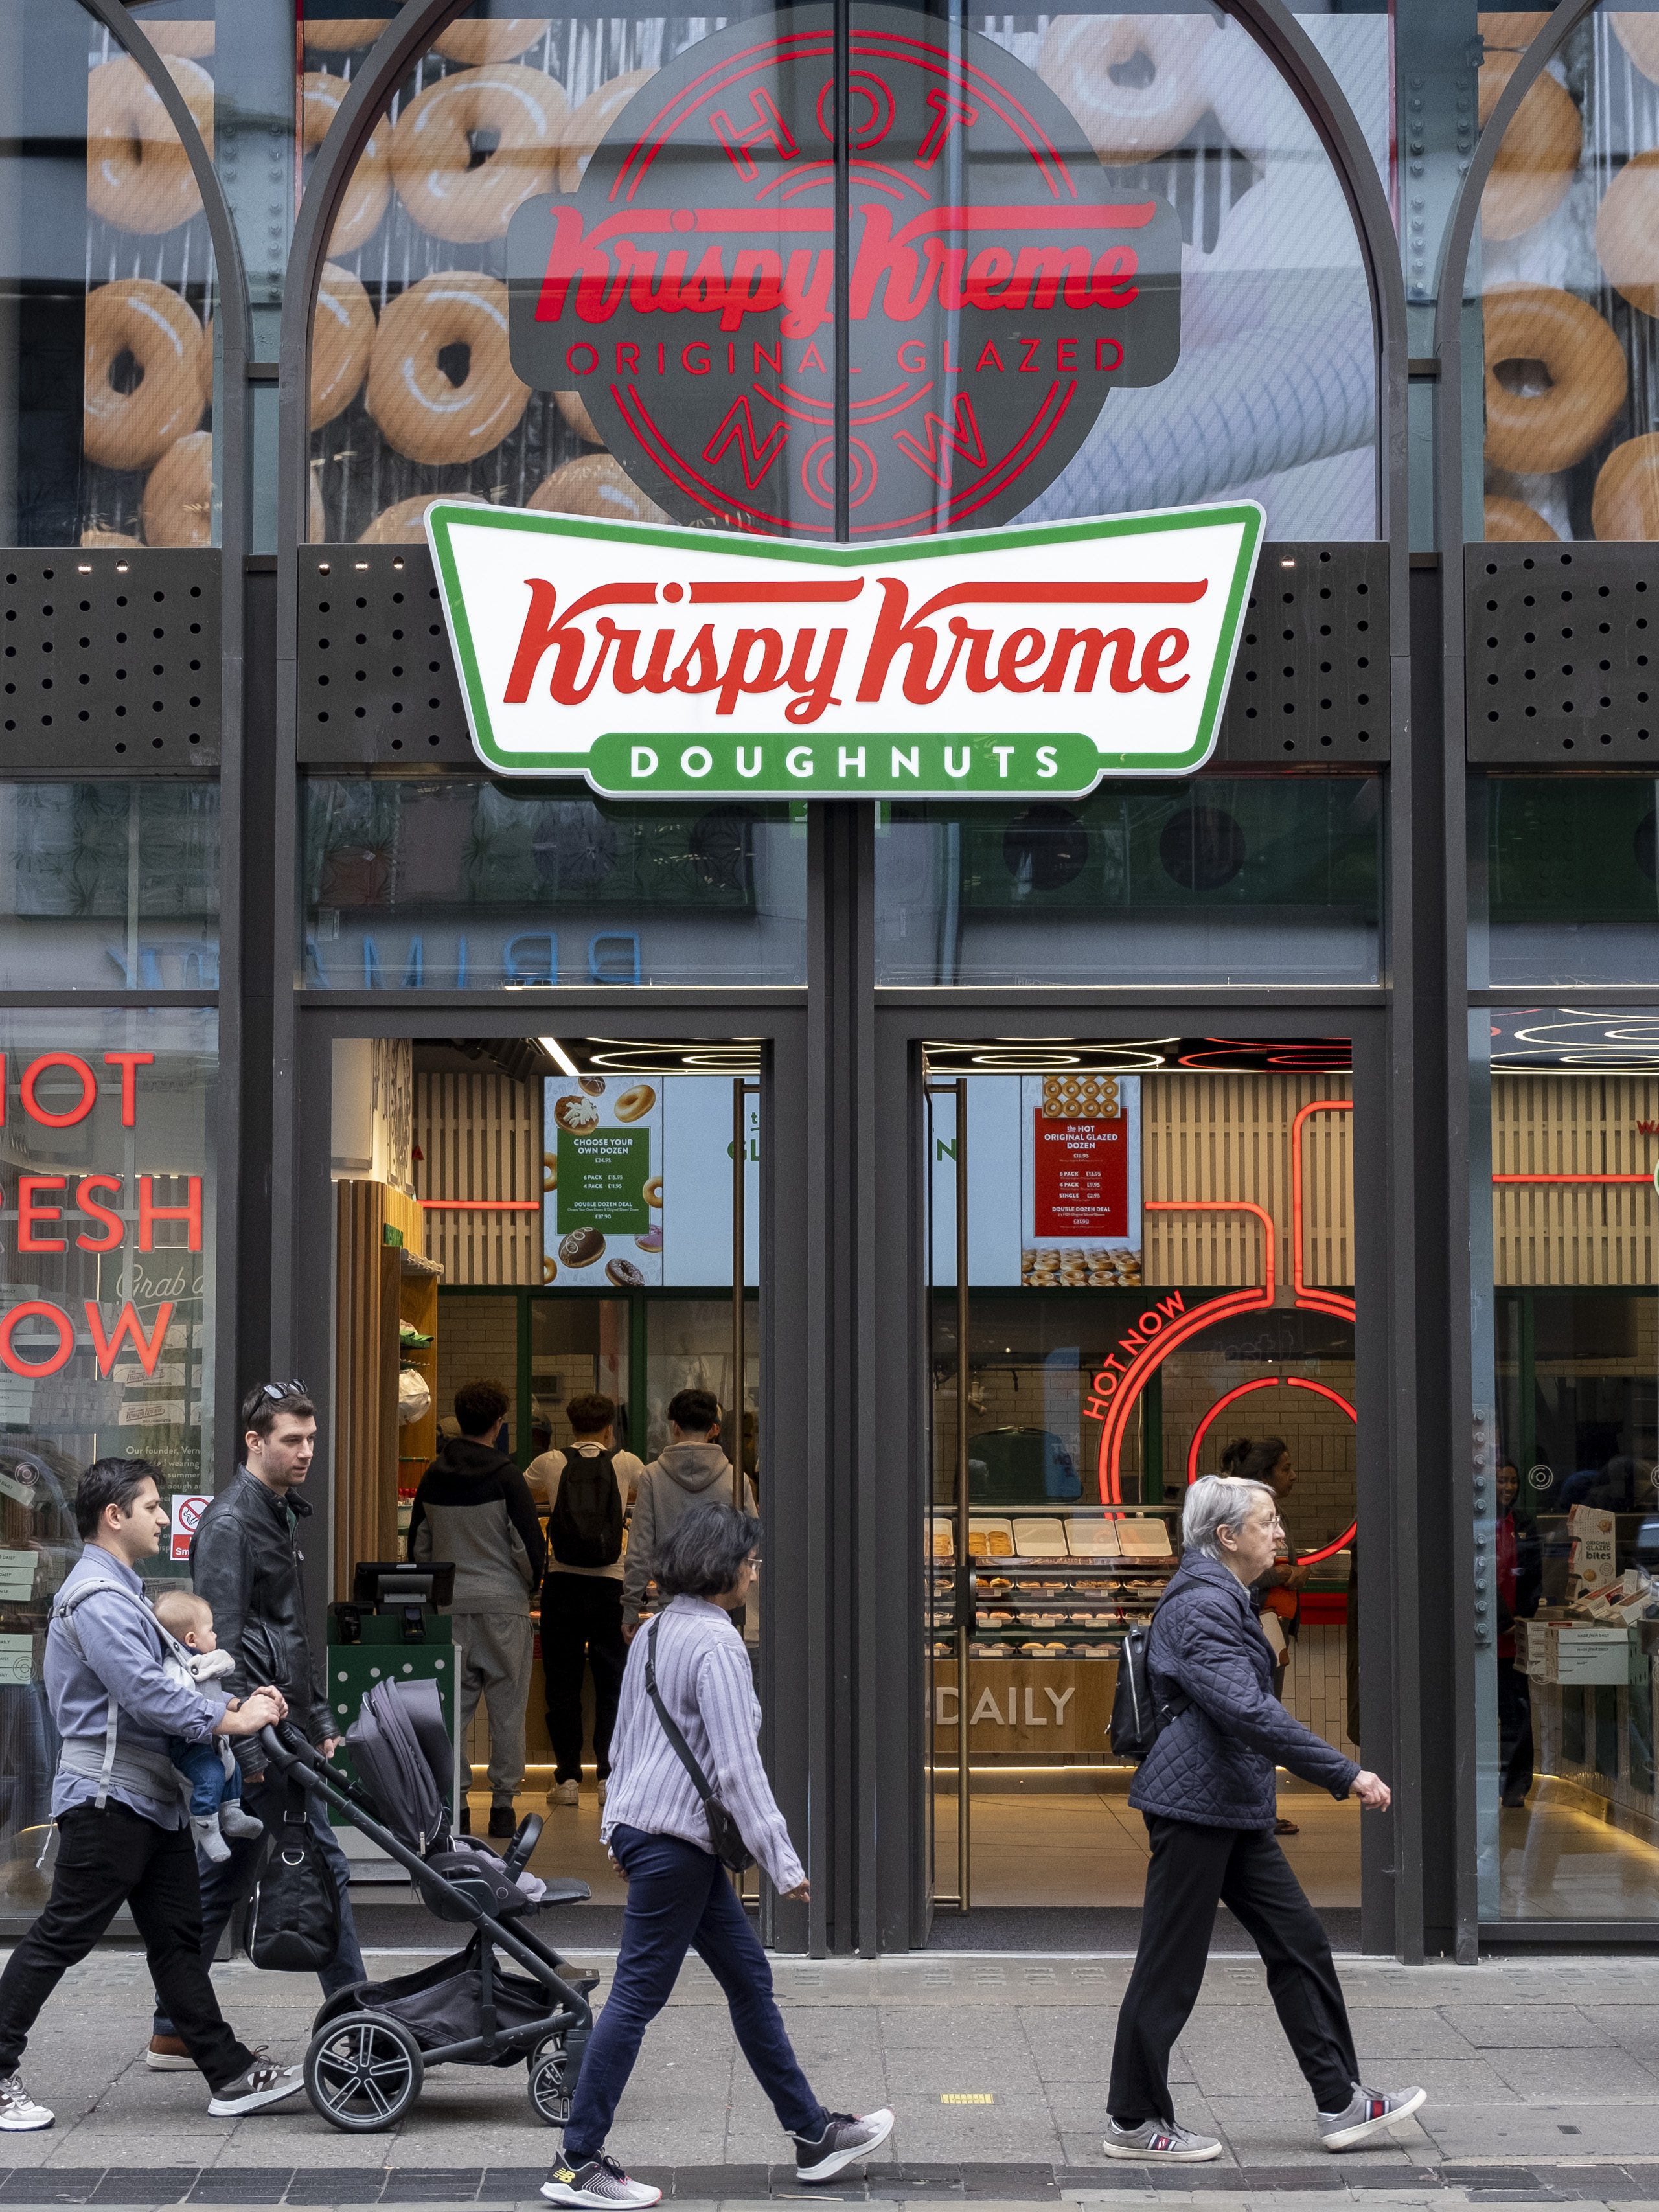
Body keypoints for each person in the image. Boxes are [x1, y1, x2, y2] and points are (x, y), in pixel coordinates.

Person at [542, 1501, 893, 2209]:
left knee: (748, 1978)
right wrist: (781, 1859)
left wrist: (618, 1826)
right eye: (750, 1560)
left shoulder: (653, 1631)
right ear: (723, 1567)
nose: (754, 1571)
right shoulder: (718, 1644)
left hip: (658, 1835)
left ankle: (810, 2133)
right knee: (638, 1996)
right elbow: (735, 1768)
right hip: (676, 1843)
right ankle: (577, 2161)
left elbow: (622, 1741)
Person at [1105, 1474, 1426, 2163]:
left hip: (1227, 1804)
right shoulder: (1200, 1606)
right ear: (1226, 1536)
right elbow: (1246, 1711)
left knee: (1299, 1943)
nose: (1279, 1532)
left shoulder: (1225, 1595)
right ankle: (1132, 2120)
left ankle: (1339, 2100)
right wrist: (1345, 1771)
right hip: (1193, 1808)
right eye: (1267, 1521)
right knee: (1169, 1965)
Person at [0, 1458, 305, 2130]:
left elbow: (175, 1680)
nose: (163, 1517)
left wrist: (235, 1698)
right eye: (151, 1506)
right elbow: (147, 1692)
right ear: (115, 1516)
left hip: (147, 1796)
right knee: (63, 1935)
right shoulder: (101, 1600)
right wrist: (233, 1719)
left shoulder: (124, 1592)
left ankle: (226, 2072)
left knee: (177, 1935)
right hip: (111, 1799)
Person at [148, 1381, 365, 2071]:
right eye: (291, 1440)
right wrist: (255, 1742)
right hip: (258, 1732)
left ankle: (171, 2023)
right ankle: (359, 2020)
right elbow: (218, 1648)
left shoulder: (273, 1515)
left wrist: (320, 1710)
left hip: (279, 1722)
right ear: (253, 1441)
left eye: (310, 1438)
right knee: (325, 1861)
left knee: (228, 1874)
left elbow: (289, 1633)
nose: (306, 1452)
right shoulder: (233, 1523)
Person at [409, 1378, 547, 1838]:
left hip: (448, 1607)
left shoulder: (433, 1474)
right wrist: (527, 1588)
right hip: (503, 1606)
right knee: (507, 1709)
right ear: (498, 1423)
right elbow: (528, 1546)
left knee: (453, 1710)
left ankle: (459, 1802)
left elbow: (420, 1548)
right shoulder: (506, 1476)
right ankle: (504, 1806)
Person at [525, 1393, 644, 1810]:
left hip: (562, 1584)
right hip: (611, 1586)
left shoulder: (550, 1462)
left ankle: (568, 1779)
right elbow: (647, 1502)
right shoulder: (627, 1463)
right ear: (609, 1428)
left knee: (563, 1682)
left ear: (570, 1425)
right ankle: (610, 1777)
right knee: (613, 1682)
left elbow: (521, 1495)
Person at [1222, 1435, 1310, 1835]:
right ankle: (1256, 1809)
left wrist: (1298, 1571)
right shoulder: (1242, 1513)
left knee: (1262, 1719)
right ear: (1263, 1474)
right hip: (1255, 1628)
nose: (1294, 1476)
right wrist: (1284, 1574)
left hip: (1274, 1628)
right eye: (1286, 1468)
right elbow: (1236, 1570)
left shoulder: (1271, 1511)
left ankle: (1256, 1807)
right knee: (1259, 1721)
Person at [623, 1390, 755, 1637]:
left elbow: (640, 1549)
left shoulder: (653, 1476)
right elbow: (751, 1545)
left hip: (671, 1608)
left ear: (674, 1427)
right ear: (714, 1429)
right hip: (722, 1608)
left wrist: (631, 1608)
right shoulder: (736, 1478)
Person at [152, 1590, 266, 1865]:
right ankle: (207, 1828)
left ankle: (232, 1815)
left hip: (213, 1739)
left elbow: (216, 1697)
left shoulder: (204, 1668)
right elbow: (179, 1705)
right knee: (212, 1775)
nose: (216, 1636)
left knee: (232, 1770)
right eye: (211, 1630)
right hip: (189, 1744)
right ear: (191, 1639)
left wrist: (238, 1704)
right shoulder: (177, 1670)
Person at [1494, 1461, 1541, 1810]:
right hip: (1484, 1638)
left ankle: (1515, 1787)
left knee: (1517, 1716)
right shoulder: (1474, 1523)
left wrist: (1524, 1618)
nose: (1508, 1487)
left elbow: (1533, 1572)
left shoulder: (1524, 1524)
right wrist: (1499, 1620)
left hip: (1515, 1639)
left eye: (1513, 1481)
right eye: (1501, 1481)